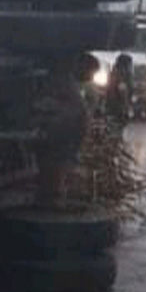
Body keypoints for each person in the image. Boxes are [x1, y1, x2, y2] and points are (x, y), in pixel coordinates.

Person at [34, 53, 97, 205]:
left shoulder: (68, 82)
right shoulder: (65, 83)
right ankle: (53, 190)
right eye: (91, 73)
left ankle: (54, 188)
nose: (90, 78)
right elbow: (76, 113)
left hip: (60, 139)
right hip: (59, 139)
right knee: (61, 159)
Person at [105, 53, 134, 125]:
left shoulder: (114, 73)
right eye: (130, 64)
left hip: (112, 106)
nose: (131, 66)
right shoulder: (121, 75)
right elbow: (123, 90)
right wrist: (127, 107)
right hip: (118, 108)